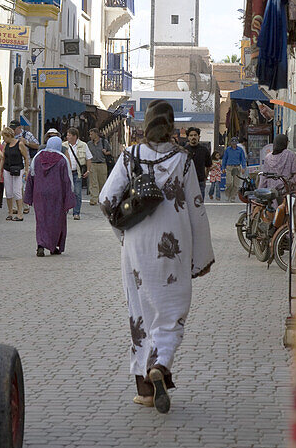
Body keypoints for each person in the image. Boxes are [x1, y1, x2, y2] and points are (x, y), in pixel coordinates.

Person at [99, 100, 214, 414]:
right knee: (172, 308)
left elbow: (106, 198)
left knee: (140, 314)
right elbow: (196, 208)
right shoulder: (184, 160)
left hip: (136, 246)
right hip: (173, 247)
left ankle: (146, 392)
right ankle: (161, 363)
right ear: (171, 126)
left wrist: (123, 236)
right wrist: (200, 258)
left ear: (147, 124)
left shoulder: (129, 156)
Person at [24, 135, 76, 256]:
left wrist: (29, 195)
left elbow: (31, 176)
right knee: (56, 220)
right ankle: (53, 246)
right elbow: (67, 180)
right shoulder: (62, 159)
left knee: (41, 219)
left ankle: (41, 245)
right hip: (56, 194)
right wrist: (69, 197)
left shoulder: (37, 158)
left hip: (39, 194)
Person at [62, 126, 92, 220]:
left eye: (69, 135)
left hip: (77, 172)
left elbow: (88, 158)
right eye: (67, 135)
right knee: (65, 192)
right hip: (66, 173)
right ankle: (64, 211)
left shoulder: (83, 145)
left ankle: (76, 212)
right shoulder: (64, 145)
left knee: (77, 193)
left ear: (75, 136)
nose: (67, 137)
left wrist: (88, 170)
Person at [0, 126, 29, 221]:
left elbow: (26, 157)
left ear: (8, 136)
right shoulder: (6, 145)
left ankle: (20, 213)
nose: (3, 139)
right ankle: (10, 212)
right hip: (7, 169)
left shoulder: (19, 144)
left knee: (17, 191)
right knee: (8, 191)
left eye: (4, 136)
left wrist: (26, 170)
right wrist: (0, 170)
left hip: (17, 169)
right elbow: (3, 158)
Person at [185, 127, 212, 202]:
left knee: (199, 205)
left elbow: (208, 166)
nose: (193, 137)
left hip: (200, 182)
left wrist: (205, 178)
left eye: (195, 135)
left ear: (198, 137)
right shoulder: (184, 151)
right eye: (191, 135)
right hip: (187, 182)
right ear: (188, 137)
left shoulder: (204, 150)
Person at [87, 127, 110, 205]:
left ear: (96, 134)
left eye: (91, 134)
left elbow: (110, 151)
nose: (90, 136)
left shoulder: (104, 142)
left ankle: (102, 198)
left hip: (102, 164)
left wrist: (106, 152)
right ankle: (94, 199)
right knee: (93, 182)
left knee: (102, 182)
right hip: (93, 164)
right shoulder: (89, 144)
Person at [222, 137, 248, 202]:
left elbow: (243, 159)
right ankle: (228, 195)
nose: (234, 144)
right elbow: (224, 159)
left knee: (236, 184)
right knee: (229, 183)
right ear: (230, 143)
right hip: (229, 167)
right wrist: (223, 168)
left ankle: (233, 197)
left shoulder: (240, 150)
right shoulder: (227, 150)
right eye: (232, 143)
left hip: (237, 167)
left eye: (235, 143)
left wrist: (243, 167)